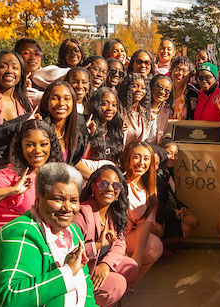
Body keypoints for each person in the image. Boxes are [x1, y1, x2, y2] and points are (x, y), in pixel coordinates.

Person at [0, 162, 94, 307]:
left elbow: (85, 288)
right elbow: (12, 299)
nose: (67, 208)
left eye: (73, 200)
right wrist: (67, 271)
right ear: (38, 199)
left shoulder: (73, 232)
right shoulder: (20, 234)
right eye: (58, 199)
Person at [0, 119, 63, 270]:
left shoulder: (51, 175)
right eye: (29, 144)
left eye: (43, 144)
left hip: (14, 243)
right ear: (20, 147)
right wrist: (11, 190)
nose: (37, 150)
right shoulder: (13, 174)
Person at [74, 164, 139, 306]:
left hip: (100, 263)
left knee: (130, 267)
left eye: (116, 185)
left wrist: (106, 264)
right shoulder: (82, 214)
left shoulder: (112, 212)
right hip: (81, 271)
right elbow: (69, 252)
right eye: (104, 184)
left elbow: (120, 242)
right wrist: (96, 246)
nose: (110, 188)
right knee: (117, 284)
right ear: (93, 187)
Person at [121, 142, 163, 284]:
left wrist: (138, 253)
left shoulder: (149, 189)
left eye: (146, 159)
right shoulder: (118, 182)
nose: (141, 163)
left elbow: (145, 223)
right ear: (128, 158)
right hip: (114, 236)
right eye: (136, 157)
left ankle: (129, 285)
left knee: (155, 246)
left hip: (130, 235)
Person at [118, 74, 152, 145]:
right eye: (135, 86)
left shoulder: (144, 113)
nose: (139, 90)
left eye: (143, 88)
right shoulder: (119, 110)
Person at [168, 56, 198, 121]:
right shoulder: (165, 89)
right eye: (177, 69)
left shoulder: (193, 93)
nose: (180, 73)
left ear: (189, 75)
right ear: (171, 71)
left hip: (185, 129)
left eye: (184, 70)